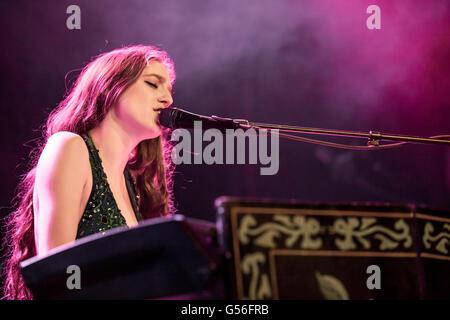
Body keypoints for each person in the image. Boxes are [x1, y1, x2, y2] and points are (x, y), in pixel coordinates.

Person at [1, 44, 176, 300]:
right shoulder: (69, 147)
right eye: (153, 84)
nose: (168, 100)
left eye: (170, 90)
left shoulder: (132, 185)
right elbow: (56, 281)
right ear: (111, 86)